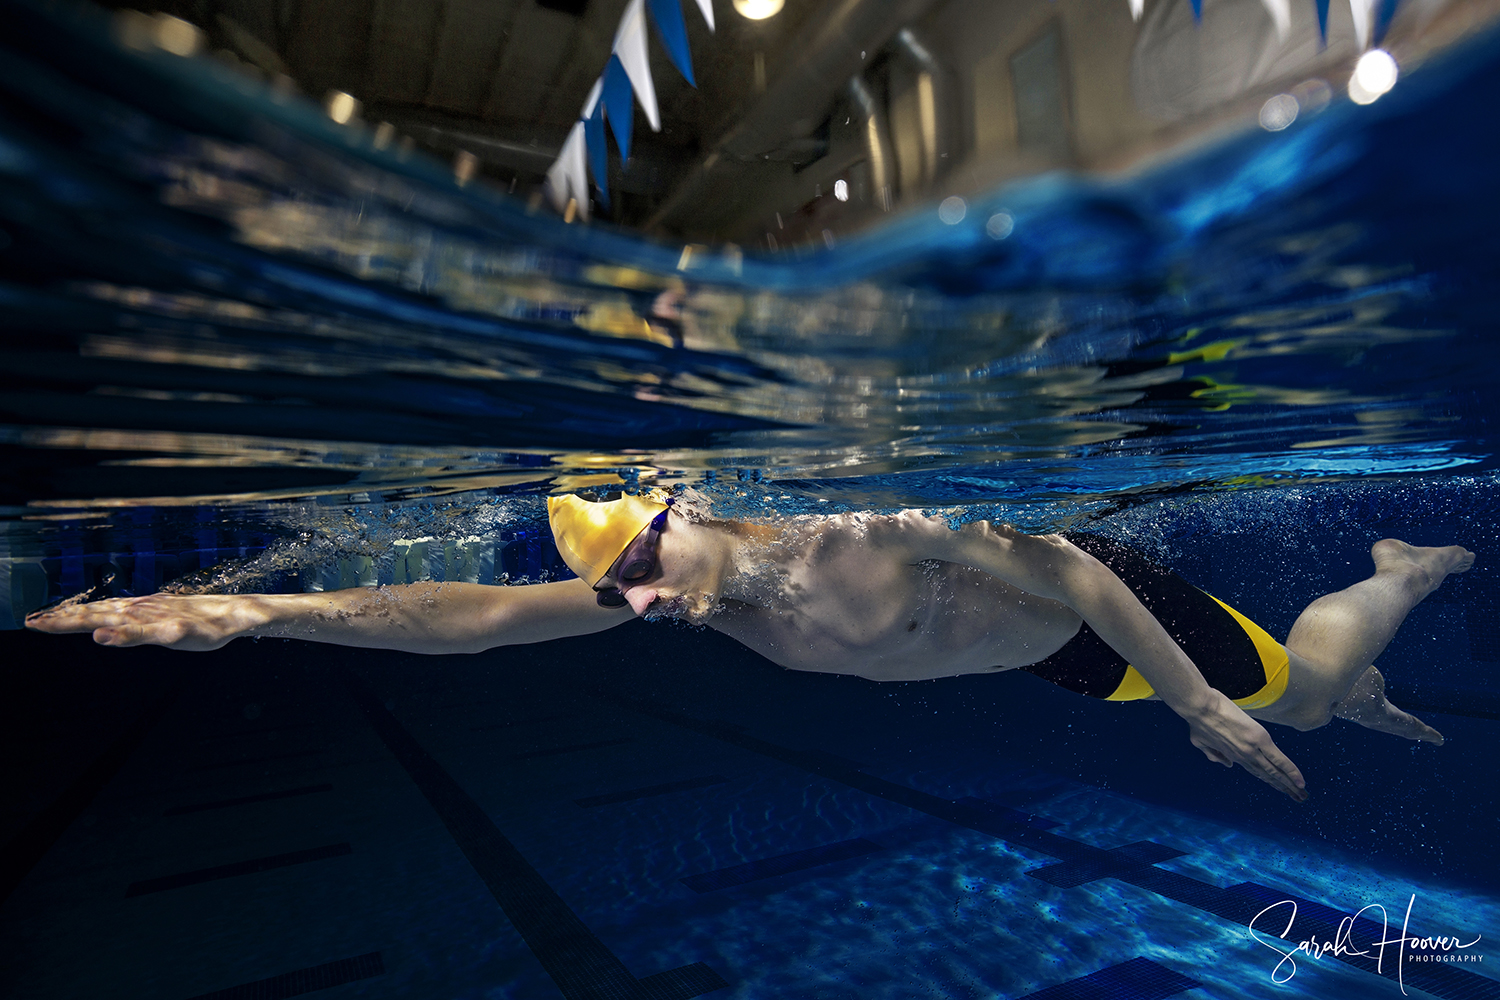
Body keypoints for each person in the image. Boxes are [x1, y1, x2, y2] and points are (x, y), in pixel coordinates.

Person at [26, 488, 1475, 802]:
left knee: (1321, 692)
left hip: (1105, 622)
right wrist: (261, 610)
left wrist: (1192, 712)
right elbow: (472, 621)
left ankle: (1395, 574)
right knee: (1339, 709)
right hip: (1038, 660)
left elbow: (1085, 572)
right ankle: (1373, 677)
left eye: (649, 560)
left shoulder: (865, 532)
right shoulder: (674, 594)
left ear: (694, 504)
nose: (645, 600)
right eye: (626, 588)